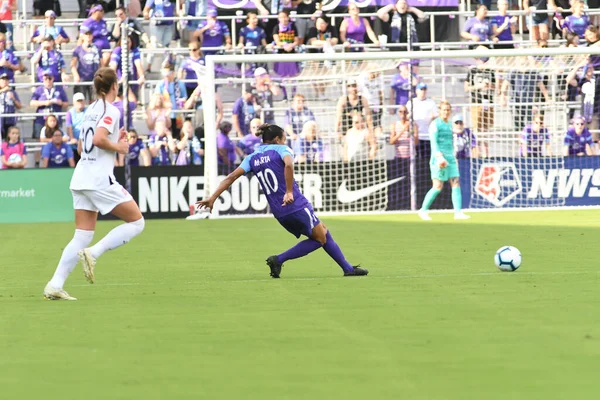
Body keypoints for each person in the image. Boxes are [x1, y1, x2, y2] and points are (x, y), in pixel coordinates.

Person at [196, 123, 368, 278]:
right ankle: (278, 259)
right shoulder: (282, 150)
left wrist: (212, 198)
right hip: (295, 204)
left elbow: (231, 177)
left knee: (322, 231)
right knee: (320, 239)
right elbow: (289, 165)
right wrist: (289, 191)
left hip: (279, 212)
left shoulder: (252, 157)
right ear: (277, 139)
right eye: (284, 138)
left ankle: (347, 268)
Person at [43, 67, 145, 301]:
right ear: (114, 87)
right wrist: (118, 147)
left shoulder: (89, 110)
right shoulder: (112, 110)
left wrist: (112, 141)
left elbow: (81, 147)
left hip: (81, 176)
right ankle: (94, 253)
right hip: (99, 179)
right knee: (137, 222)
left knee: (82, 234)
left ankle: (54, 284)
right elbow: (98, 139)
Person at [418, 101, 470, 221]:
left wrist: (453, 157)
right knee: (437, 186)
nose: (446, 112)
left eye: (448, 110)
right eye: (444, 110)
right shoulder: (435, 124)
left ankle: (458, 212)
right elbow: (434, 142)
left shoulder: (449, 125)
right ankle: (423, 210)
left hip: (450, 158)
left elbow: (450, 143)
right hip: (439, 158)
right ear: (439, 111)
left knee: (456, 182)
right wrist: (439, 157)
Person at [406, 82, 438, 159]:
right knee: (415, 158)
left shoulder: (431, 103)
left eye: (424, 89)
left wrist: (432, 118)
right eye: (421, 89)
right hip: (415, 135)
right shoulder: (411, 102)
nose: (423, 91)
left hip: (427, 135)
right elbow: (406, 116)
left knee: (426, 157)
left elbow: (436, 116)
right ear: (417, 91)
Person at [71, 25, 101, 101]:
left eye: (90, 34)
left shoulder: (97, 49)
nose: (88, 36)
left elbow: (101, 63)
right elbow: (73, 64)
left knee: (94, 101)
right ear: (83, 36)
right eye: (86, 34)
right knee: (81, 99)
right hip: (82, 77)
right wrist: (75, 75)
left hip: (94, 77)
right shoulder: (78, 49)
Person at [0, 72, 21, 139]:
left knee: (9, 139)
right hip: (0, 118)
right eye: (3, 80)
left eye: (6, 80)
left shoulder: (12, 92)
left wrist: (13, 99)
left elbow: (19, 106)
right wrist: (2, 90)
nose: (5, 82)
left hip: (10, 119)